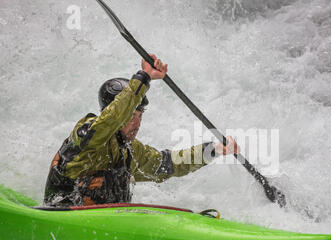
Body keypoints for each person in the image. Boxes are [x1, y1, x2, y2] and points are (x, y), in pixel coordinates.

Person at [44, 54, 239, 207]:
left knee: (122, 175)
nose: (137, 123)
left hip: (104, 226)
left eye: (140, 115)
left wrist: (212, 150)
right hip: (62, 214)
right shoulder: (89, 133)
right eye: (132, 116)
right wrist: (143, 78)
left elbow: (166, 164)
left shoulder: (129, 150)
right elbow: (111, 120)